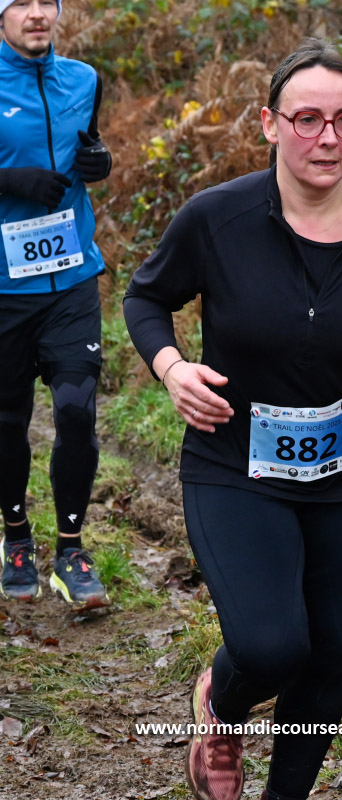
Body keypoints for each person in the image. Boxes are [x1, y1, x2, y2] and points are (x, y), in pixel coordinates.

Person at [124, 38, 342, 800]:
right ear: (269, 123)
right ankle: (222, 704)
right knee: (271, 647)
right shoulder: (216, 219)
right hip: (235, 466)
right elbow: (146, 298)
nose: (328, 138)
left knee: (329, 653)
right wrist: (172, 368)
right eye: (307, 119)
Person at [0, 0, 112, 610]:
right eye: (21, 3)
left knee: (74, 411)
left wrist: (101, 161)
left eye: (47, 1)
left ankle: (71, 551)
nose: (37, 13)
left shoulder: (84, 79)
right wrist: (9, 181)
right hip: (3, 288)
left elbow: (88, 147)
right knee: (7, 421)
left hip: (71, 278)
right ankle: (16, 537)